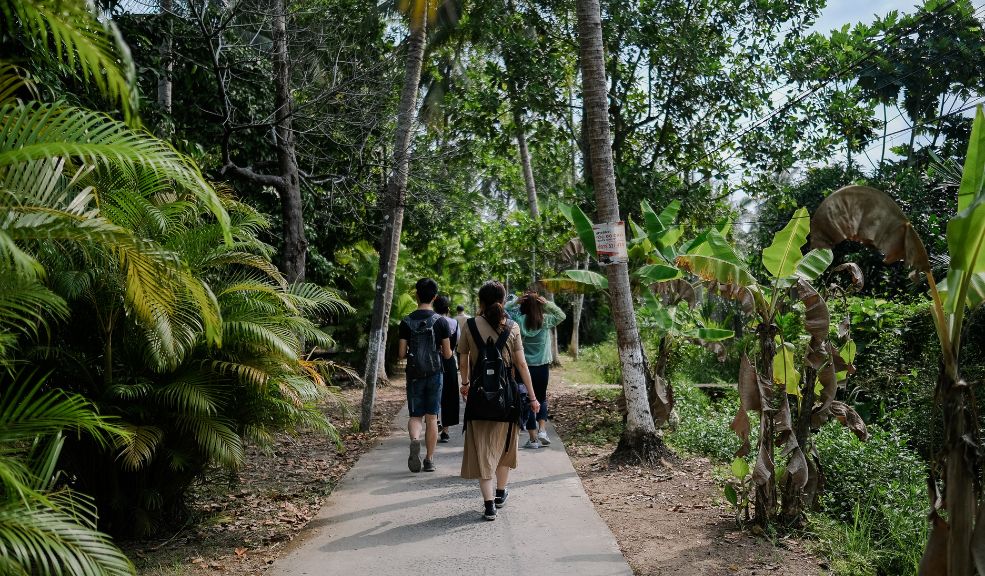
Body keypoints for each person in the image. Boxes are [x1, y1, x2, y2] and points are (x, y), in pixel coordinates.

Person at [458, 280, 540, 521]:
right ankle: (500, 493)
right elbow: (522, 365)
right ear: (503, 301)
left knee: (483, 448)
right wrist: (533, 398)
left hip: (479, 397)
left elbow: (463, 361)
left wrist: (465, 384)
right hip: (508, 398)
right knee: (505, 446)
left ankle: (488, 505)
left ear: (481, 301)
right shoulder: (513, 327)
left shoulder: (470, 326)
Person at [397, 278, 453, 473]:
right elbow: (447, 355)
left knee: (415, 416)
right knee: (432, 417)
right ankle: (429, 460)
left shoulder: (405, 321)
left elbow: (402, 353)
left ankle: (414, 441)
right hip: (435, 373)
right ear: (435, 297)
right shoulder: (441, 322)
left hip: (413, 373)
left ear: (416, 294)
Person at [506, 291, 566, 449]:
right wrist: (547, 303)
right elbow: (562, 315)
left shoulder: (518, 320)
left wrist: (515, 301)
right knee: (541, 397)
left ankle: (532, 439)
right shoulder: (545, 320)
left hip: (523, 368)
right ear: (539, 305)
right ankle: (542, 431)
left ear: (523, 305)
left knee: (526, 400)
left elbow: (505, 310)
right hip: (542, 367)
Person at [432, 295, 459, 443]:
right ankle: (446, 432)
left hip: (434, 361)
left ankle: (434, 421)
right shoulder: (454, 323)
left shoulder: (432, 322)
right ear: (448, 309)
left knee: (434, 394)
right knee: (449, 396)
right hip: (449, 362)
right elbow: (457, 343)